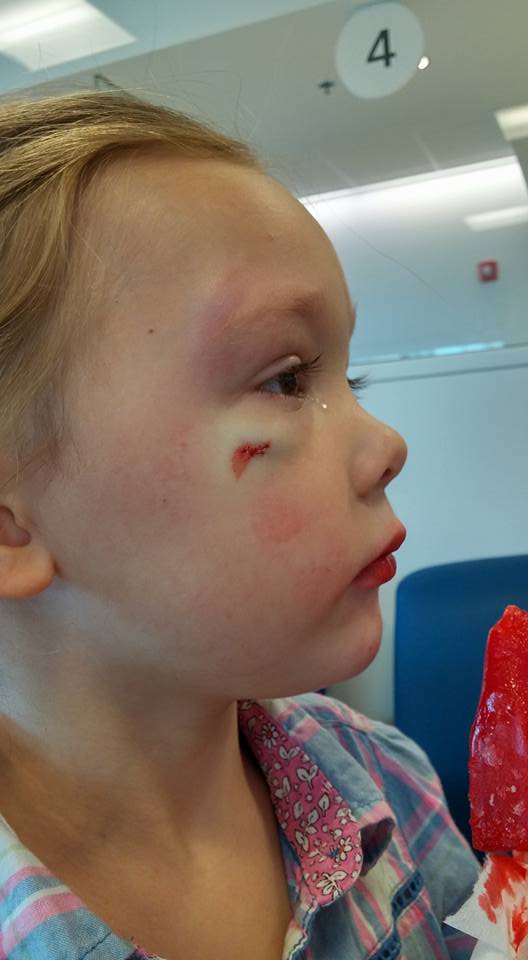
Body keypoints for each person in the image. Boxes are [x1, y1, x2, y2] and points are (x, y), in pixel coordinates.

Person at [0, 90, 479, 960]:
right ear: (9, 524)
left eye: (350, 379)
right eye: (286, 378)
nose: (387, 447)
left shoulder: (386, 778)